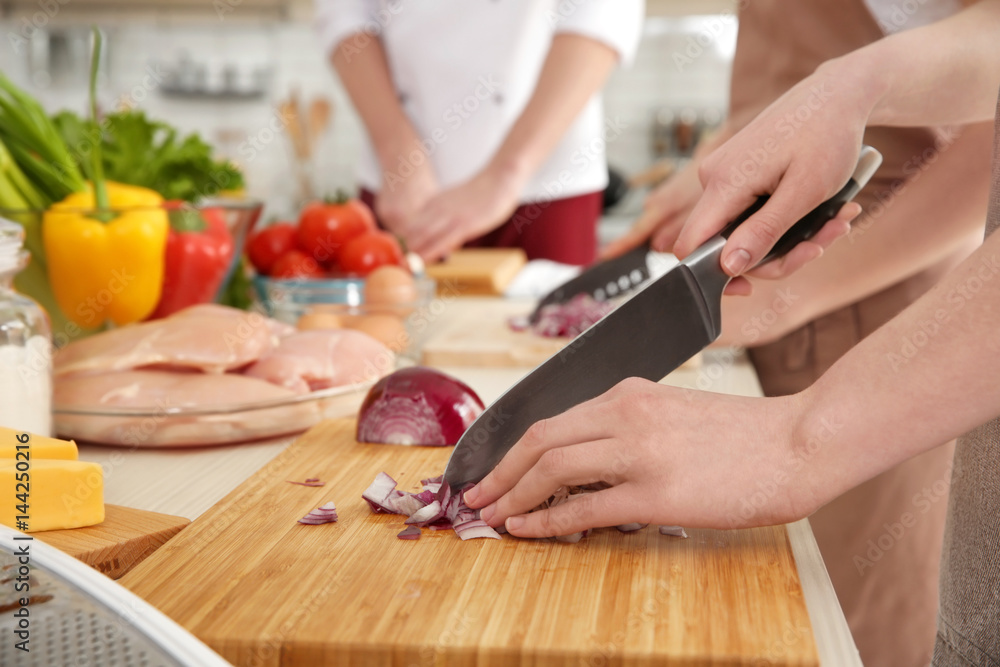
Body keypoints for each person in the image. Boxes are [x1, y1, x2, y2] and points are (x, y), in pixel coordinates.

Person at [463, 2, 1000, 663]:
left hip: (895, 347)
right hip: (785, 327)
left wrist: (801, 433)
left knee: (850, 634)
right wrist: (825, 102)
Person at [315, 0, 644, 265]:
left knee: (560, 340)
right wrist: (397, 153)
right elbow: (343, 12)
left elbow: (604, 10)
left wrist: (508, 170)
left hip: (547, 189)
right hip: (401, 193)